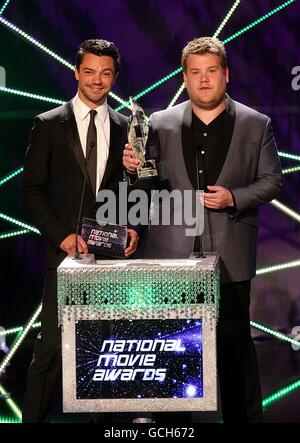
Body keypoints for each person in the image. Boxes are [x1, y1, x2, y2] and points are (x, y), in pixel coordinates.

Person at [123, 36, 283, 423]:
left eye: (211, 71)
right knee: (174, 354)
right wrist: (131, 169)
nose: (204, 80)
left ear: (225, 74)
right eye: (195, 73)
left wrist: (235, 197)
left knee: (233, 352)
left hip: (229, 257)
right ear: (185, 78)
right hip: (170, 258)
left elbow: (272, 182)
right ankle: (174, 428)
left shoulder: (255, 124)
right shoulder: (159, 124)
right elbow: (144, 185)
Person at [22, 39, 139, 422]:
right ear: (76, 72)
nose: (97, 80)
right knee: (51, 348)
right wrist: (61, 236)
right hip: (64, 255)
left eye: (105, 73)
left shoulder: (127, 127)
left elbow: (134, 189)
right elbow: (33, 191)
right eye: (89, 71)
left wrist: (132, 227)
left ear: (115, 77)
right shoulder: (48, 124)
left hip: (109, 255)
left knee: (104, 349)